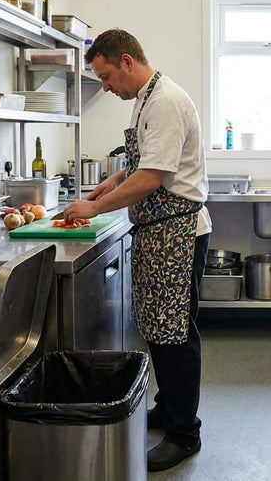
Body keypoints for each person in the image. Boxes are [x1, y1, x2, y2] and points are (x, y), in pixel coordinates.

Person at [63, 28, 211, 471]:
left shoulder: (165, 101)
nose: (106, 87)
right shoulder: (146, 98)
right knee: (159, 330)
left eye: (107, 76)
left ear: (127, 61)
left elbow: (150, 179)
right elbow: (137, 165)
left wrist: (92, 208)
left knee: (176, 334)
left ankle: (185, 432)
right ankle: (168, 409)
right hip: (159, 231)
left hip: (178, 231)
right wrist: (107, 184)